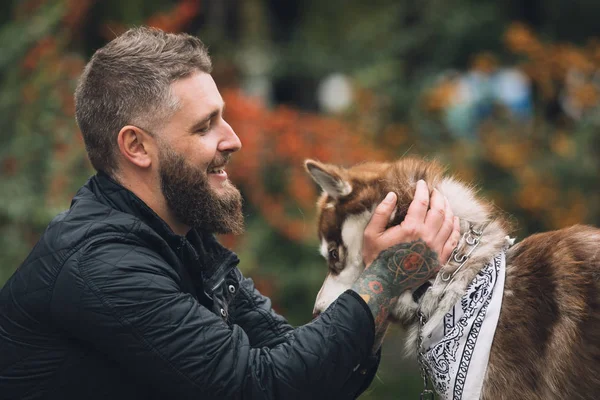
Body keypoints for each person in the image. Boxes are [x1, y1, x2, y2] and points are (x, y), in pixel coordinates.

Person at [0, 27, 460, 399]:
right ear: (136, 146)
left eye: (223, 116)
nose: (233, 139)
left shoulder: (185, 242)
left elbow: (310, 373)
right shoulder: (103, 267)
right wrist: (381, 280)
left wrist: (373, 281)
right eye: (205, 126)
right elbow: (261, 387)